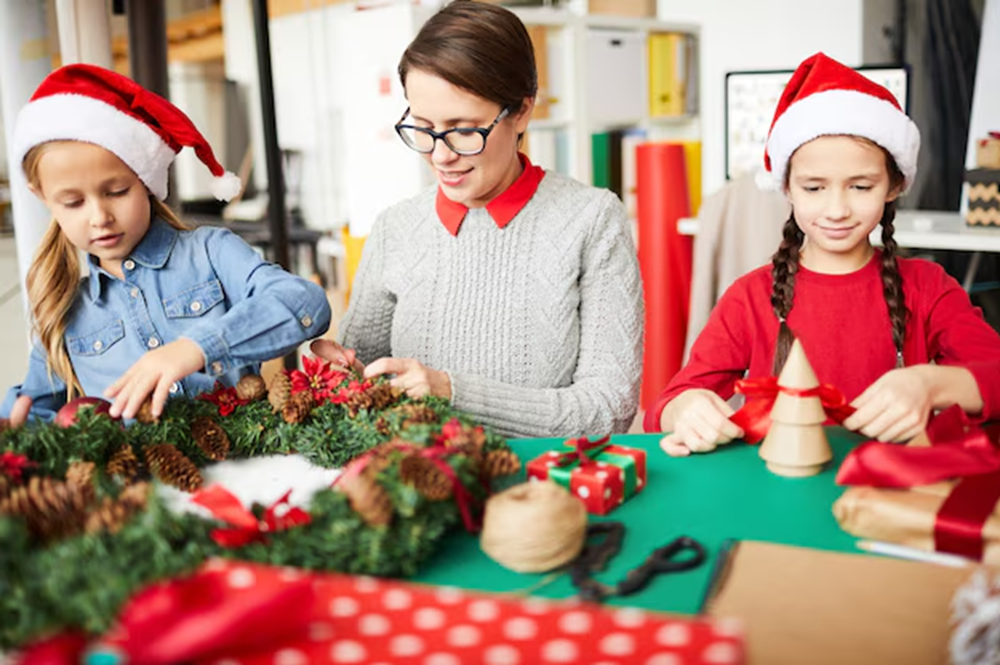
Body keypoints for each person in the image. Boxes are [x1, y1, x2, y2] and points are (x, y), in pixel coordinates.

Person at [312, 0, 643, 439]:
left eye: (463, 129)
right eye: (424, 128)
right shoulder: (397, 227)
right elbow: (364, 376)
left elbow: (608, 410)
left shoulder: (592, 222)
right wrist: (341, 372)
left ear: (523, 110)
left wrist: (452, 392)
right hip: (416, 489)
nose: (441, 155)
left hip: (541, 495)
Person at [646, 52, 1000, 455]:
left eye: (861, 187)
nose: (837, 209)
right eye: (814, 188)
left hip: (892, 494)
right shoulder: (749, 297)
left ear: (894, 185)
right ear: (787, 188)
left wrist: (929, 384)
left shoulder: (928, 288)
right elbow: (668, 403)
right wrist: (686, 408)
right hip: (778, 495)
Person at [0, 64, 331, 424]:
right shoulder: (64, 309)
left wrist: (197, 347)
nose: (99, 217)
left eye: (116, 192)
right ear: (44, 198)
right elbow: (32, 415)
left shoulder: (211, 253)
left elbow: (305, 302)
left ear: (146, 180)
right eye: (73, 203)